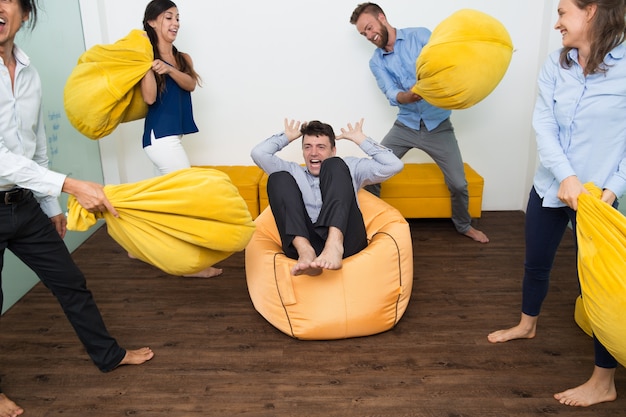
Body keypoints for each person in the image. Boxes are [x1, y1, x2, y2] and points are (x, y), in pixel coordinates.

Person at [0, 1, 154, 415]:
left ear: (24, 14)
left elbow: (35, 146)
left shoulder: (28, 72)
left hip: (25, 201)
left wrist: (51, 204)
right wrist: (70, 185)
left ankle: (109, 355)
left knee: (70, 282)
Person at [488, 0, 626, 407]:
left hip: (600, 198)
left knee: (597, 287)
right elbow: (543, 123)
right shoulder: (556, 65)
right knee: (536, 262)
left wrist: (612, 189)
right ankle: (527, 325)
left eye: (563, 12)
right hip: (551, 185)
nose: (557, 23)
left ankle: (604, 381)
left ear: (592, 11)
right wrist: (565, 176)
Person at [349, 3, 489, 244]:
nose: (369, 36)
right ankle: (373, 224)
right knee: (371, 172)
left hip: (439, 125)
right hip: (405, 125)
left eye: (369, 27)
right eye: (363, 34)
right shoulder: (377, 62)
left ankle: (464, 225)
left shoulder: (420, 35)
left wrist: (430, 85)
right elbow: (392, 93)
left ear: (382, 17)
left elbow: (444, 65)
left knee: (458, 183)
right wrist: (409, 95)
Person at [250, 119, 403, 276]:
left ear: (333, 150)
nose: (314, 153)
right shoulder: (293, 171)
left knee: (334, 165)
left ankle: (334, 244)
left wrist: (361, 139)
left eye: (321, 147)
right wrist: (286, 137)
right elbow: (259, 153)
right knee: (278, 178)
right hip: (304, 243)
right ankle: (306, 252)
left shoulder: (349, 167)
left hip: (346, 241)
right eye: (307, 147)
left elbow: (394, 165)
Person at [140, 0, 222, 278]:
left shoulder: (182, 57)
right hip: (159, 138)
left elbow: (189, 84)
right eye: (168, 17)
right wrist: (148, 66)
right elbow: (149, 98)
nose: (175, 23)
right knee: (188, 198)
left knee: (157, 203)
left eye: (177, 18)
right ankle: (190, 265)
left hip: (170, 137)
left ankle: (137, 248)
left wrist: (169, 69)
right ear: (152, 22)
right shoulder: (144, 57)